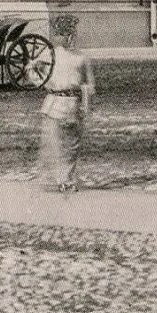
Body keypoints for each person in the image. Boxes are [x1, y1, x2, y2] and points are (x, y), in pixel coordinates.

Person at [37, 12, 95, 192]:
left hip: (73, 104)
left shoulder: (82, 58)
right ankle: (52, 180)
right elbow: (32, 69)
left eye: (70, 34)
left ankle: (66, 180)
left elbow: (89, 85)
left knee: (71, 146)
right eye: (63, 34)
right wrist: (42, 82)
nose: (68, 38)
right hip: (54, 103)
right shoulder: (49, 55)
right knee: (53, 144)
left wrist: (86, 104)